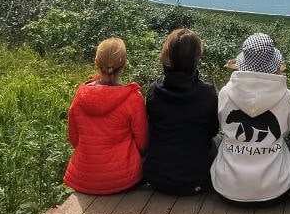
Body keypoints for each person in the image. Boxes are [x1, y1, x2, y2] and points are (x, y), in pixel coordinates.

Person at [210, 33, 290, 206]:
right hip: (275, 190)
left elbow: (221, 124)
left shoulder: (226, 93)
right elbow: (287, 130)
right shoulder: (285, 96)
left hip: (227, 188)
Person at [64, 37, 147, 195]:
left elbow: (73, 138)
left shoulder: (81, 95)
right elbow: (142, 143)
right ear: (123, 65)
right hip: (124, 179)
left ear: (96, 62)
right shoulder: (132, 97)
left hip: (84, 178)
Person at [142, 28, 219, 195]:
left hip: (157, 178)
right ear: (197, 58)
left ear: (167, 56)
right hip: (197, 180)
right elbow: (213, 130)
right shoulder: (208, 93)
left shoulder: (154, 91)